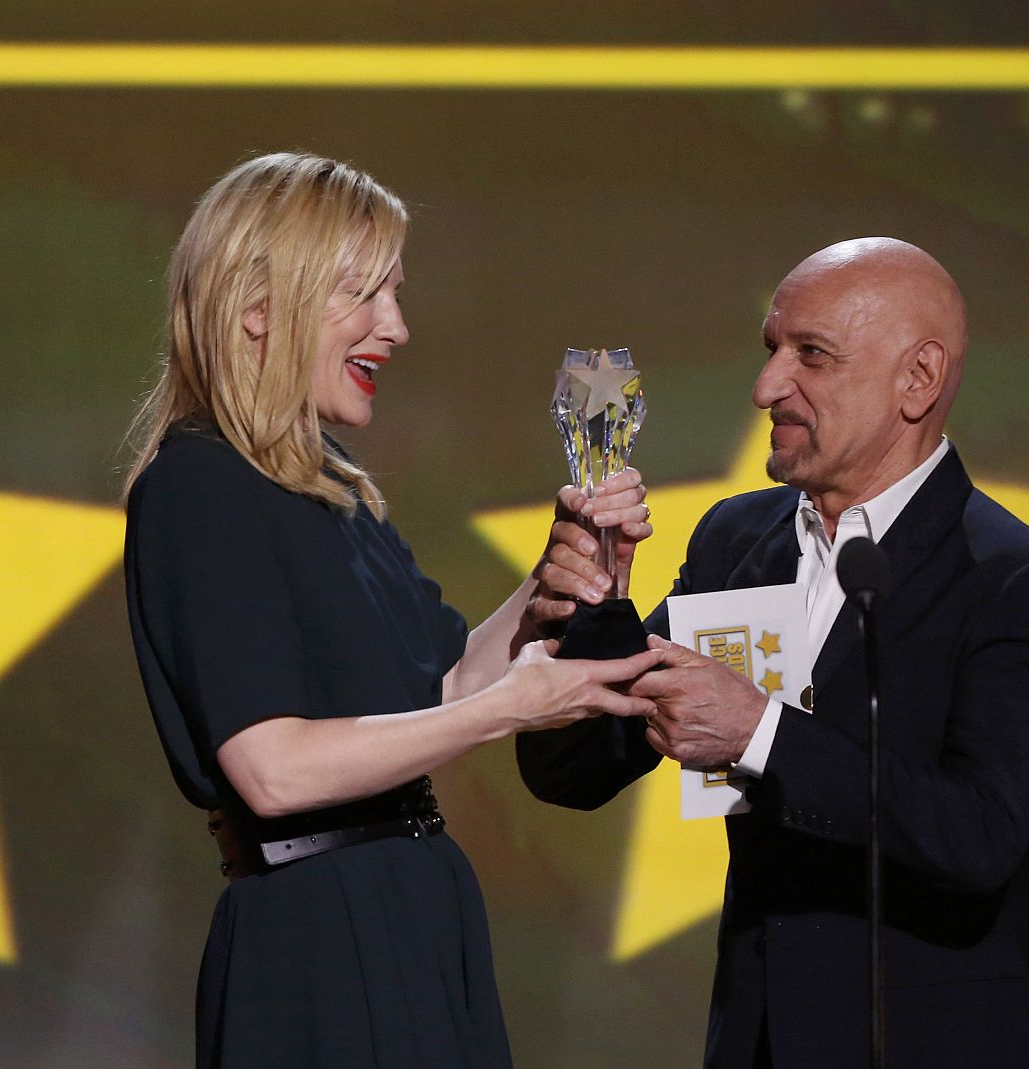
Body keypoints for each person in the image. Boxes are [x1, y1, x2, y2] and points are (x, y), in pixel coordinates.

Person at [120, 152, 661, 1069]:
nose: (397, 328)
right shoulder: (198, 488)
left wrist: (549, 586)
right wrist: (510, 710)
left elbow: (441, 682)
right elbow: (272, 771)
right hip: (319, 945)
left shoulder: (327, 490)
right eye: (365, 296)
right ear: (258, 307)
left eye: (397, 296)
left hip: (413, 914)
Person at [519, 238, 1029, 1066]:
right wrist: (597, 608)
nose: (766, 387)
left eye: (810, 355)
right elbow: (569, 772)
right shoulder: (736, 539)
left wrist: (759, 732)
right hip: (769, 1037)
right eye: (771, 350)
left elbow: (979, 834)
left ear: (918, 379)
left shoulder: (1011, 575)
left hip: (947, 1039)